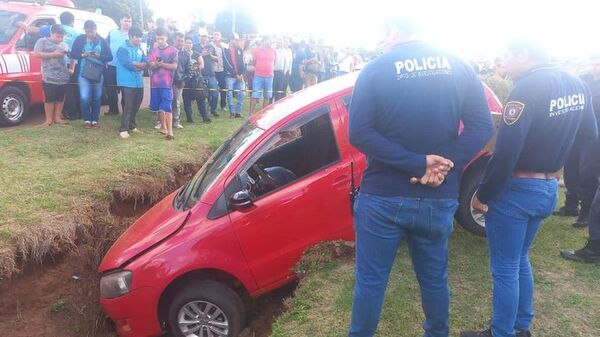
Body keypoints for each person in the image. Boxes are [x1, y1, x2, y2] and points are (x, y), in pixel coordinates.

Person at [347, 17, 493, 337]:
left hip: (383, 195)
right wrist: (444, 165)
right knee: (434, 278)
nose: (384, 42)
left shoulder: (376, 69)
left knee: (371, 280)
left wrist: (417, 163)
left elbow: (358, 133)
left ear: (394, 31)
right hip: (437, 196)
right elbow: (483, 126)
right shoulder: (459, 66)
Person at [462, 41, 597, 337]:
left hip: (518, 190)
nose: (504, 64)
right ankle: (521, 326)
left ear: (524, 54)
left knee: (506, 267)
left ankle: (502, 332)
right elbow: (590, 134)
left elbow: (505, 152)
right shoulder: (577, 84)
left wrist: (483, 195)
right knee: (520, 258)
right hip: (548, 187)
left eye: (507, 56)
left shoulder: (526, 88)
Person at [71, 20, 112, 128]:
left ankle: (94, 120)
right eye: (88, 31)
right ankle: (86, 119)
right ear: (84, 30)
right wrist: (83, 54)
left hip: (98, 72)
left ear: (96, 30)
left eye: (92, 32)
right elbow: (73, 54)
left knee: (97, 97)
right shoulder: (80, 39)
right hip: (83, 72)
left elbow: (110, 57)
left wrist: (99, 56)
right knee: (85, 97)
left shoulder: (102, 41)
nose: (90, 34)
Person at [33, 25, 73, 126]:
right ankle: (48, 120)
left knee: (60, 98)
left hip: (63, 76)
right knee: (49, 98)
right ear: (51, 33)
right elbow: (36, 54)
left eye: (62, 37)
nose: (60, 39)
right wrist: (53, 54)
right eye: (57, 36)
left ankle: (58, 118)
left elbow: (73, 57)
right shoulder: (42, 41)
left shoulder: (64, 45)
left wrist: (72, 68)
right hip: (48, 76)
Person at [116, 26, 147, 139]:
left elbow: (145, 60)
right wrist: (139, 66)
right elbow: (127, 63)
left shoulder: (140, 49)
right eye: (137, 36)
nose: (139, 39)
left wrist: (140, 64)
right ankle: (123, 128)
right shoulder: (122, 48)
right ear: (130, 36)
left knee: (137, 104)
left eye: (140, 37)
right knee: (128, 105)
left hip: (139, 81)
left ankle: (132, 125)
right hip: (127, 81)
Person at [148, 28, 178, 140]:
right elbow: (150, 66)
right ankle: (163, 127)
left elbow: (174, 66)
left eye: (162, 38)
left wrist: (162, 64)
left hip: (167, 83)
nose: (160, 41)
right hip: (154, 84)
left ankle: (170, 132)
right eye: (158, 39)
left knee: (167, 106)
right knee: (159, 107)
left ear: (166, 38)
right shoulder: (153, 50)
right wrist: (156, 64)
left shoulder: (173, 50)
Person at [105, 13, 132, 115]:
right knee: (110, 89)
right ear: (120, 21)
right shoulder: (112, 32)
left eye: (129, 21)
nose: (127, 23)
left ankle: (126, 109)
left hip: (125, 67)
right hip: (112, 65)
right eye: (125, 21)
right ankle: (113, 109)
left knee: (125, 89)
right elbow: (105, 46)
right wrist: (105, 60)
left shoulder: (131, 35)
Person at [182, 36, 210, 124]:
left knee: (200, 98)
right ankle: (189, 118)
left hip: (197, 80)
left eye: (190, 43)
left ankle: (205, 117)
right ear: (184, 43)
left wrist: (196, 67)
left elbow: (202, 65)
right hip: (186, 80)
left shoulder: (197, 54)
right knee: (186, 100)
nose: (188, 44)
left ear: (192, 44)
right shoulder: (181, 54)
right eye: (187, 42)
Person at [249, 36, 276, 115]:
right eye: (268, 40)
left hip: (269, 76)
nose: (270, 42)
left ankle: (263, 114)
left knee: (267, 96)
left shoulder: (273, 51)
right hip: (258, 76)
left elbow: (274, 61)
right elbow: (253, 62)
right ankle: (251, 114)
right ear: (264, 41)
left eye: (271, 41)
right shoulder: (257, 50)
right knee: (255, 95)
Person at [194, 34, 219, 117]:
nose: (204, 38)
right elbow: (193, 57)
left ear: (207, 38)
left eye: (206, 37)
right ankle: (203, 112)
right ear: (200, 37)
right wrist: (202, 54)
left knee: (215, 93)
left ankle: (213, 109)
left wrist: (210, 55)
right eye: (202, 36)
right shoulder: (195, 46)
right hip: (200, 74)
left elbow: (217, 59)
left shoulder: (211, 47)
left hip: (211, 74)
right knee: (201, 95)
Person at [223, 33, 246, 118]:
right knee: (229, 94)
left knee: (242, 93)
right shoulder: (225, 50)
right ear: (231, 40)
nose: (238, 41)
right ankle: (232, 112)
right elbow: (227, 64)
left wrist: (243, 74)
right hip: (230, 76)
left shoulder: (239, 49)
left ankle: (238, 112)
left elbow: (243, 63)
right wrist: (235, 74)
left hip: (240, 76)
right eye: (236, 40)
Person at [171, 32, 186, 129]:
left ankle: (176, 121)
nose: (180, 43)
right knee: (165, 101)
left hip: (178, 81)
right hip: (166, 80)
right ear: (173, 40)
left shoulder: (185, 53)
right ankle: (161, 121)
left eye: (182, 41)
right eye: (178, 40)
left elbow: (189, 69)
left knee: (176, 102)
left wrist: (184, 80)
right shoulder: (168, 51)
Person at [273, 37, 293, 102]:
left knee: (280, 89)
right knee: (273, 89)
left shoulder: (287, 51)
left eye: (281, 42)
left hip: (282, 72)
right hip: (273, 72)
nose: (280, 43)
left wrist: (287, 71)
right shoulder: (274, 50)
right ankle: (270, 104)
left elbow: (288, 62)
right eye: (278, 42)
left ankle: (278, 102)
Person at [213, 32, 226, 113]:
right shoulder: (210, 45)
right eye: (215, 35)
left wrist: (222, 47)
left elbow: (227, 55)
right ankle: (211, 106)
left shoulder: (224, 45)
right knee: (213, 88)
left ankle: (223, 105)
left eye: (218, 35)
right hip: (213, 69)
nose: (216, 37)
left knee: (223, 87)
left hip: (222, 69)